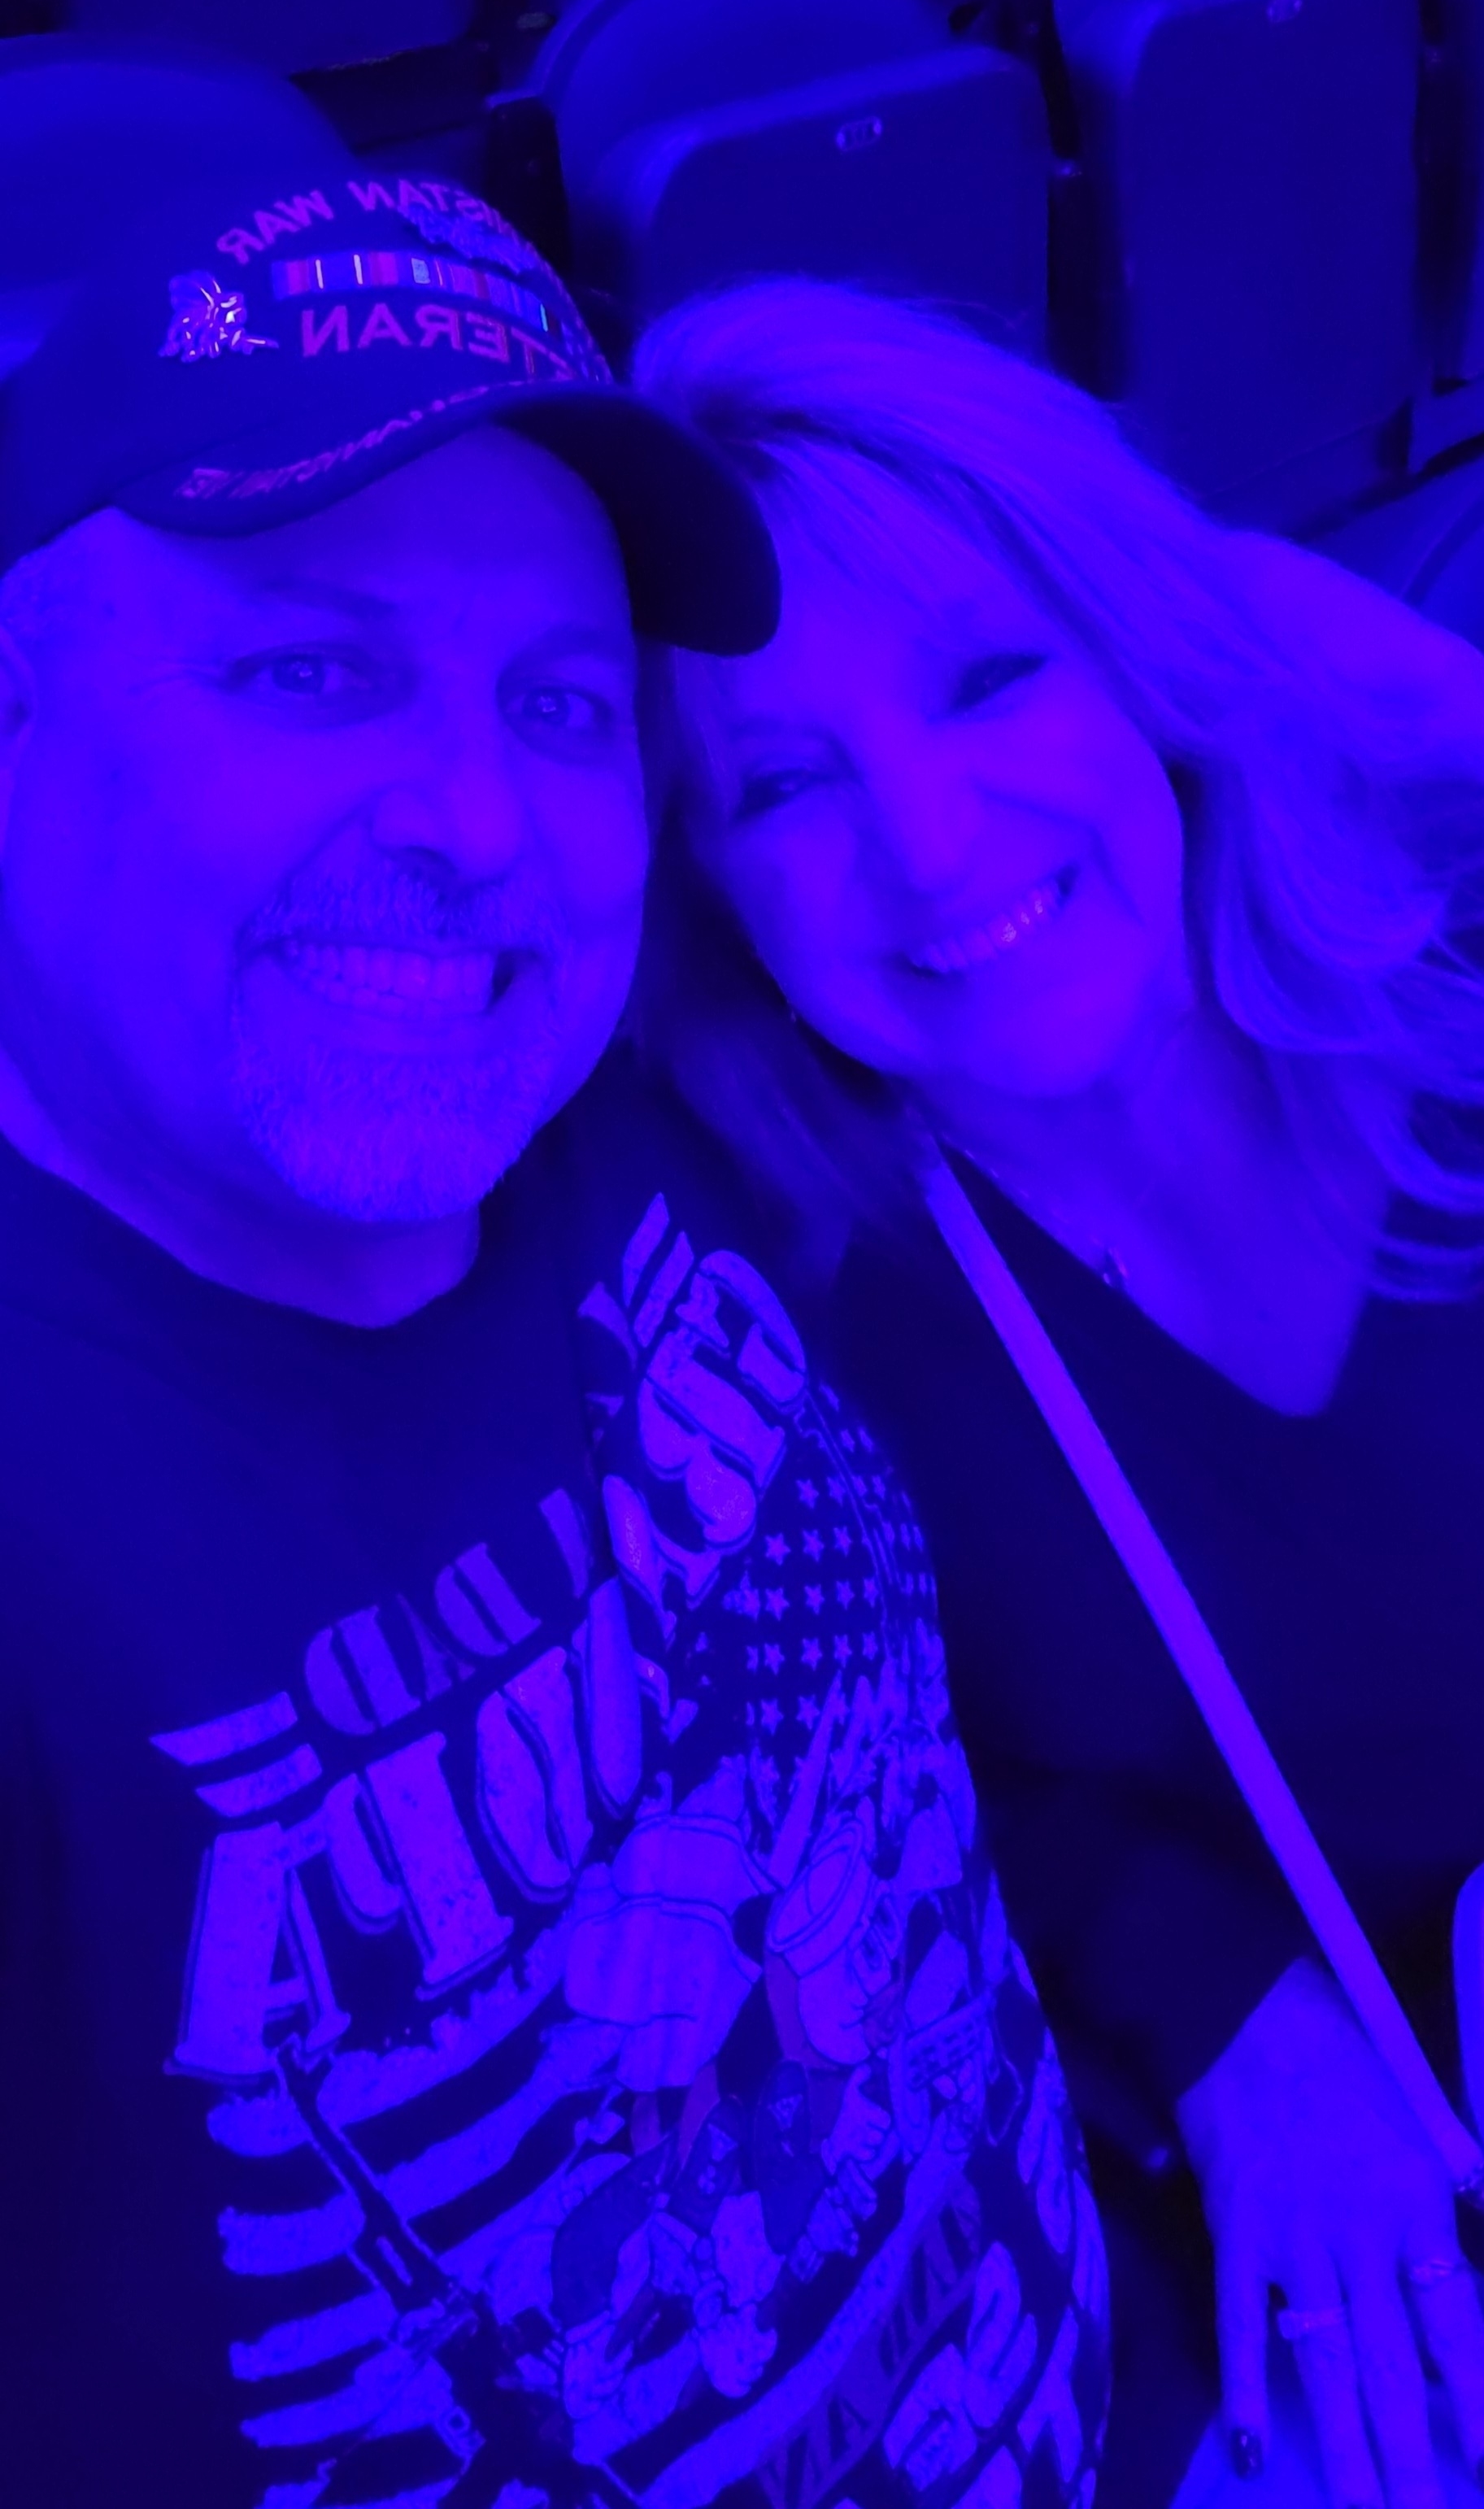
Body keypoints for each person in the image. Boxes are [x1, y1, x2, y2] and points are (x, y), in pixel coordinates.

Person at [0, 174, 1108, 2508]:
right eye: (310, 670)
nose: (483, 822)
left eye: (564, 705)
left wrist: (1229, 2013)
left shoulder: (646, 1079)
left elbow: (1177, 737)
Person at [631, 276, 1484, 2509]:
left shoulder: (1456, 936)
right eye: (780, 787)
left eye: (990, 675)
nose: (929, 847)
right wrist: (1225, 2010)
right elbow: (863, 1781)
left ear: (1143, 659)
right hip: (1285, 2197)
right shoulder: (771, 1306)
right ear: (709, 889)